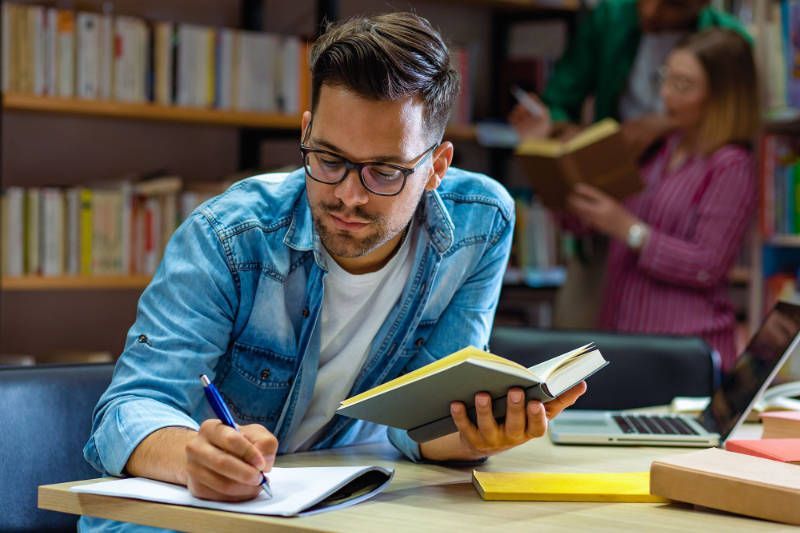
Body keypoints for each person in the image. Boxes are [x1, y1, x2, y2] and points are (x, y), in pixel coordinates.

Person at [81, 12, 586, 531]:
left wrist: (472, 436)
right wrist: (192, 456)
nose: (349, 194)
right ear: (306, 131)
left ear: (437, 166)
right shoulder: (228, 237)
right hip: (179, 517)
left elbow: (422, 423)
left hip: (335, 509)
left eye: (384, 172)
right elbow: (128, 410)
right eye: (327, 159)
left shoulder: (481, 225)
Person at [563, 28, 759, 371]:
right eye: (665, 78)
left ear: (722, 96)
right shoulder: (658, 148)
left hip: (682, 352)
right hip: (622, 340)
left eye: (684, 86)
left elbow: (708, 265)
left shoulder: (731, 165)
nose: (666, 94)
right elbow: (588, 222)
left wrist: (629, 230)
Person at [508, 0, 749, 155]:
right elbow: (560, 98)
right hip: (616, 158)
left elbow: (738, 115)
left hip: (690, 163)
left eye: (673, 4)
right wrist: (559, 127)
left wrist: (668, 124)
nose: (650, 10)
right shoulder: (612, 16)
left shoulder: (725, 39)